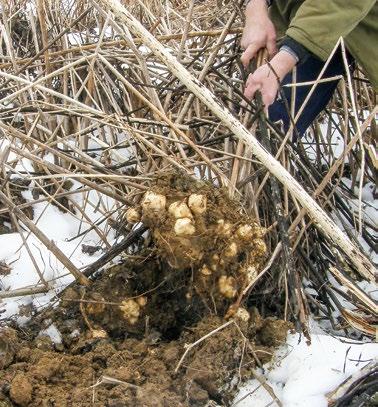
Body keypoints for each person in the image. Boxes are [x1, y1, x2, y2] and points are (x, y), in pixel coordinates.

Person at [240, 0, 378, 137]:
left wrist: (283, 60)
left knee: (266, 122)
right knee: (261, 122)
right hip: (307, 23)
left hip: (323, 23)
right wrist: (256, 8)